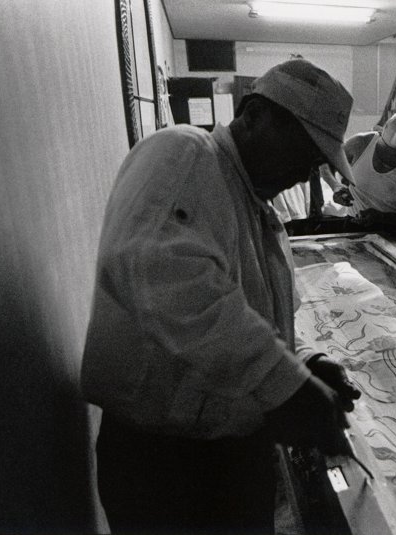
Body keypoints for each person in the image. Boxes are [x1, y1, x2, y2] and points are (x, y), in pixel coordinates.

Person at [79, 59, 362, 534]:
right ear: (255, 114)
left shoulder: (257, 208)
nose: (307, 171)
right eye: (304, 148)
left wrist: (305, 362)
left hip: (229, 456)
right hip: (167, 470)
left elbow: (252, 318)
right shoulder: (184, 155)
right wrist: (285, 383)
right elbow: (166, 280)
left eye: (318, 160)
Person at [322, 112, 396, 242]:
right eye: (388, 154)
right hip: (353, 225)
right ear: (380, 137)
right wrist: (336, 186)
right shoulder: (360, 144)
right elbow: (325, 163)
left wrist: (382, 217)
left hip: (391, 233)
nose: (390, 162)